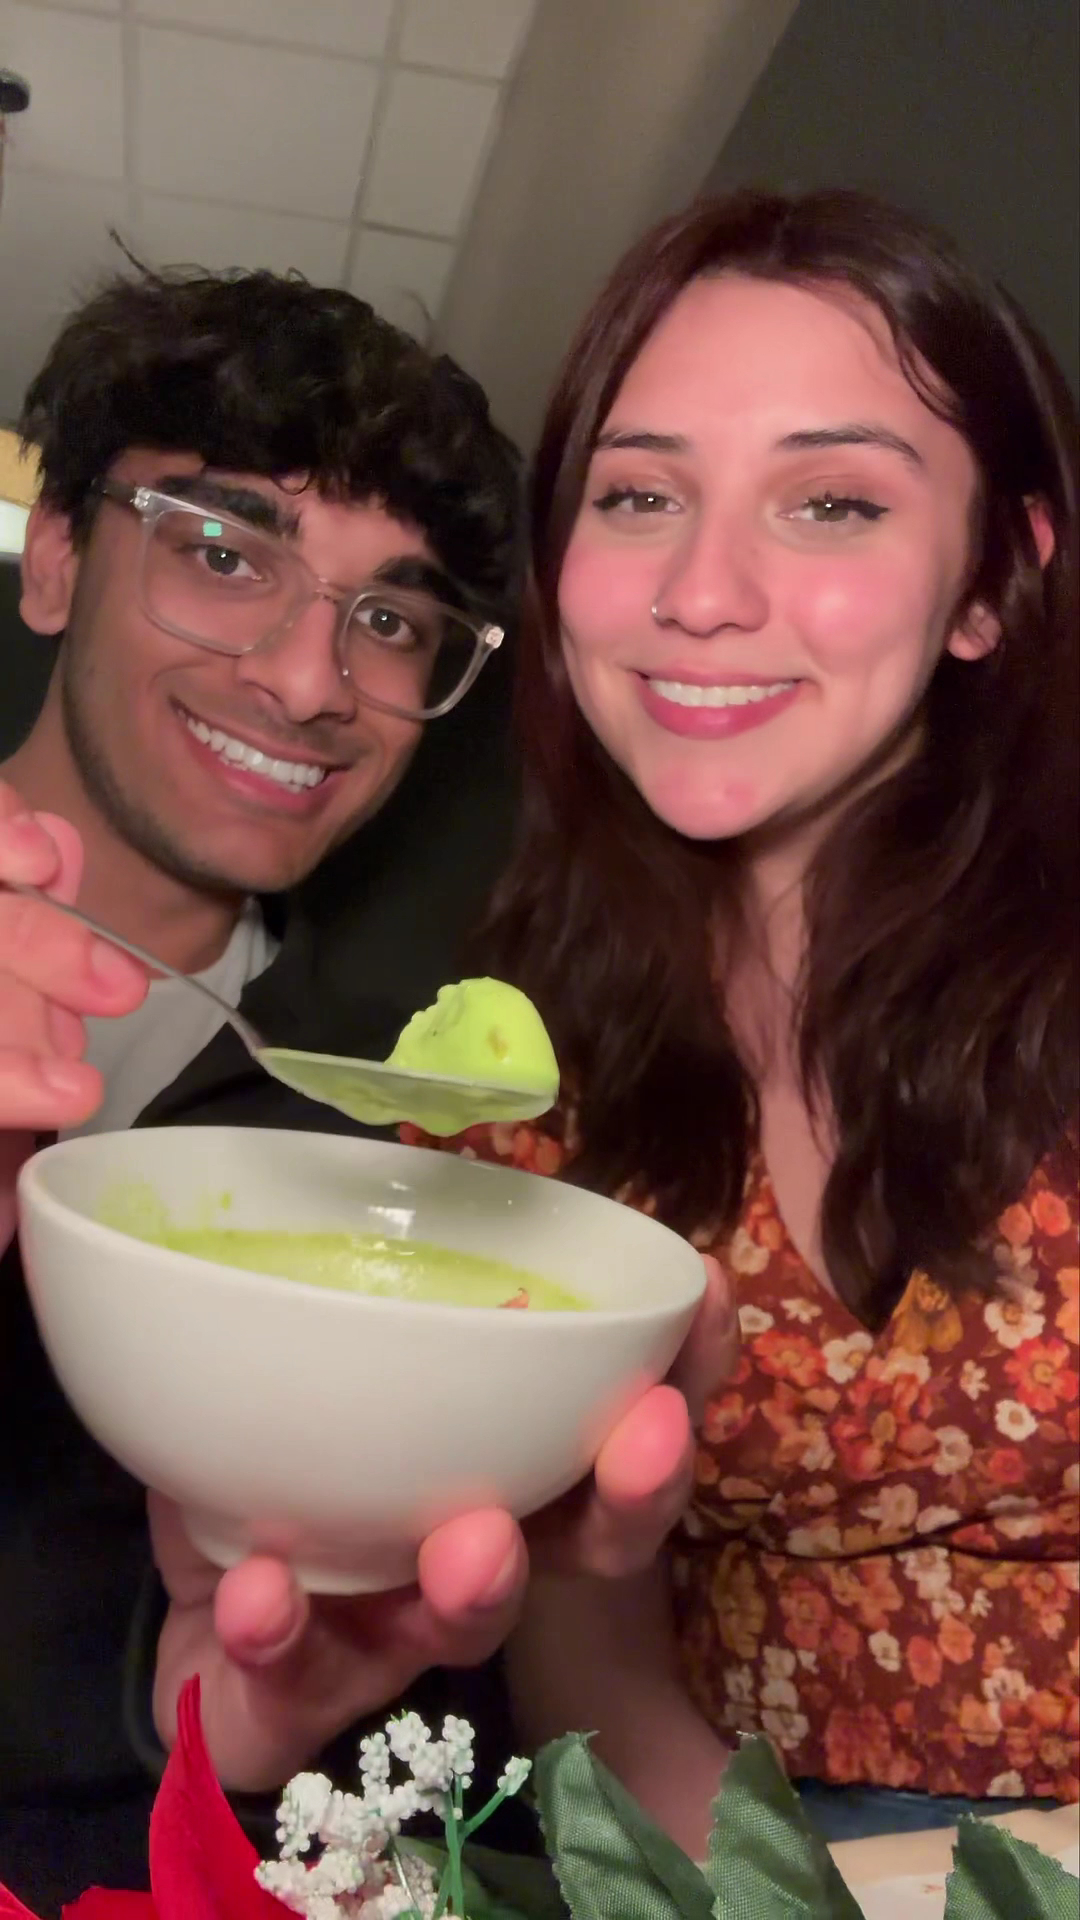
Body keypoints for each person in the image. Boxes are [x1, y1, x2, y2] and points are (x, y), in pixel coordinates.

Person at [0, 265, 734, 1908]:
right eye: (223, 551)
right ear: (53, 560)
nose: (309, 680)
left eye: (390, 619)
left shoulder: (382, 1131)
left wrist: (216, 1733)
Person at [409, 188, 1080, 1854]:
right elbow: (582, 1659)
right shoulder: (509, 1090)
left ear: (994, 581)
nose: (699, 592)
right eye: (639, 495)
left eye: (832, 502)